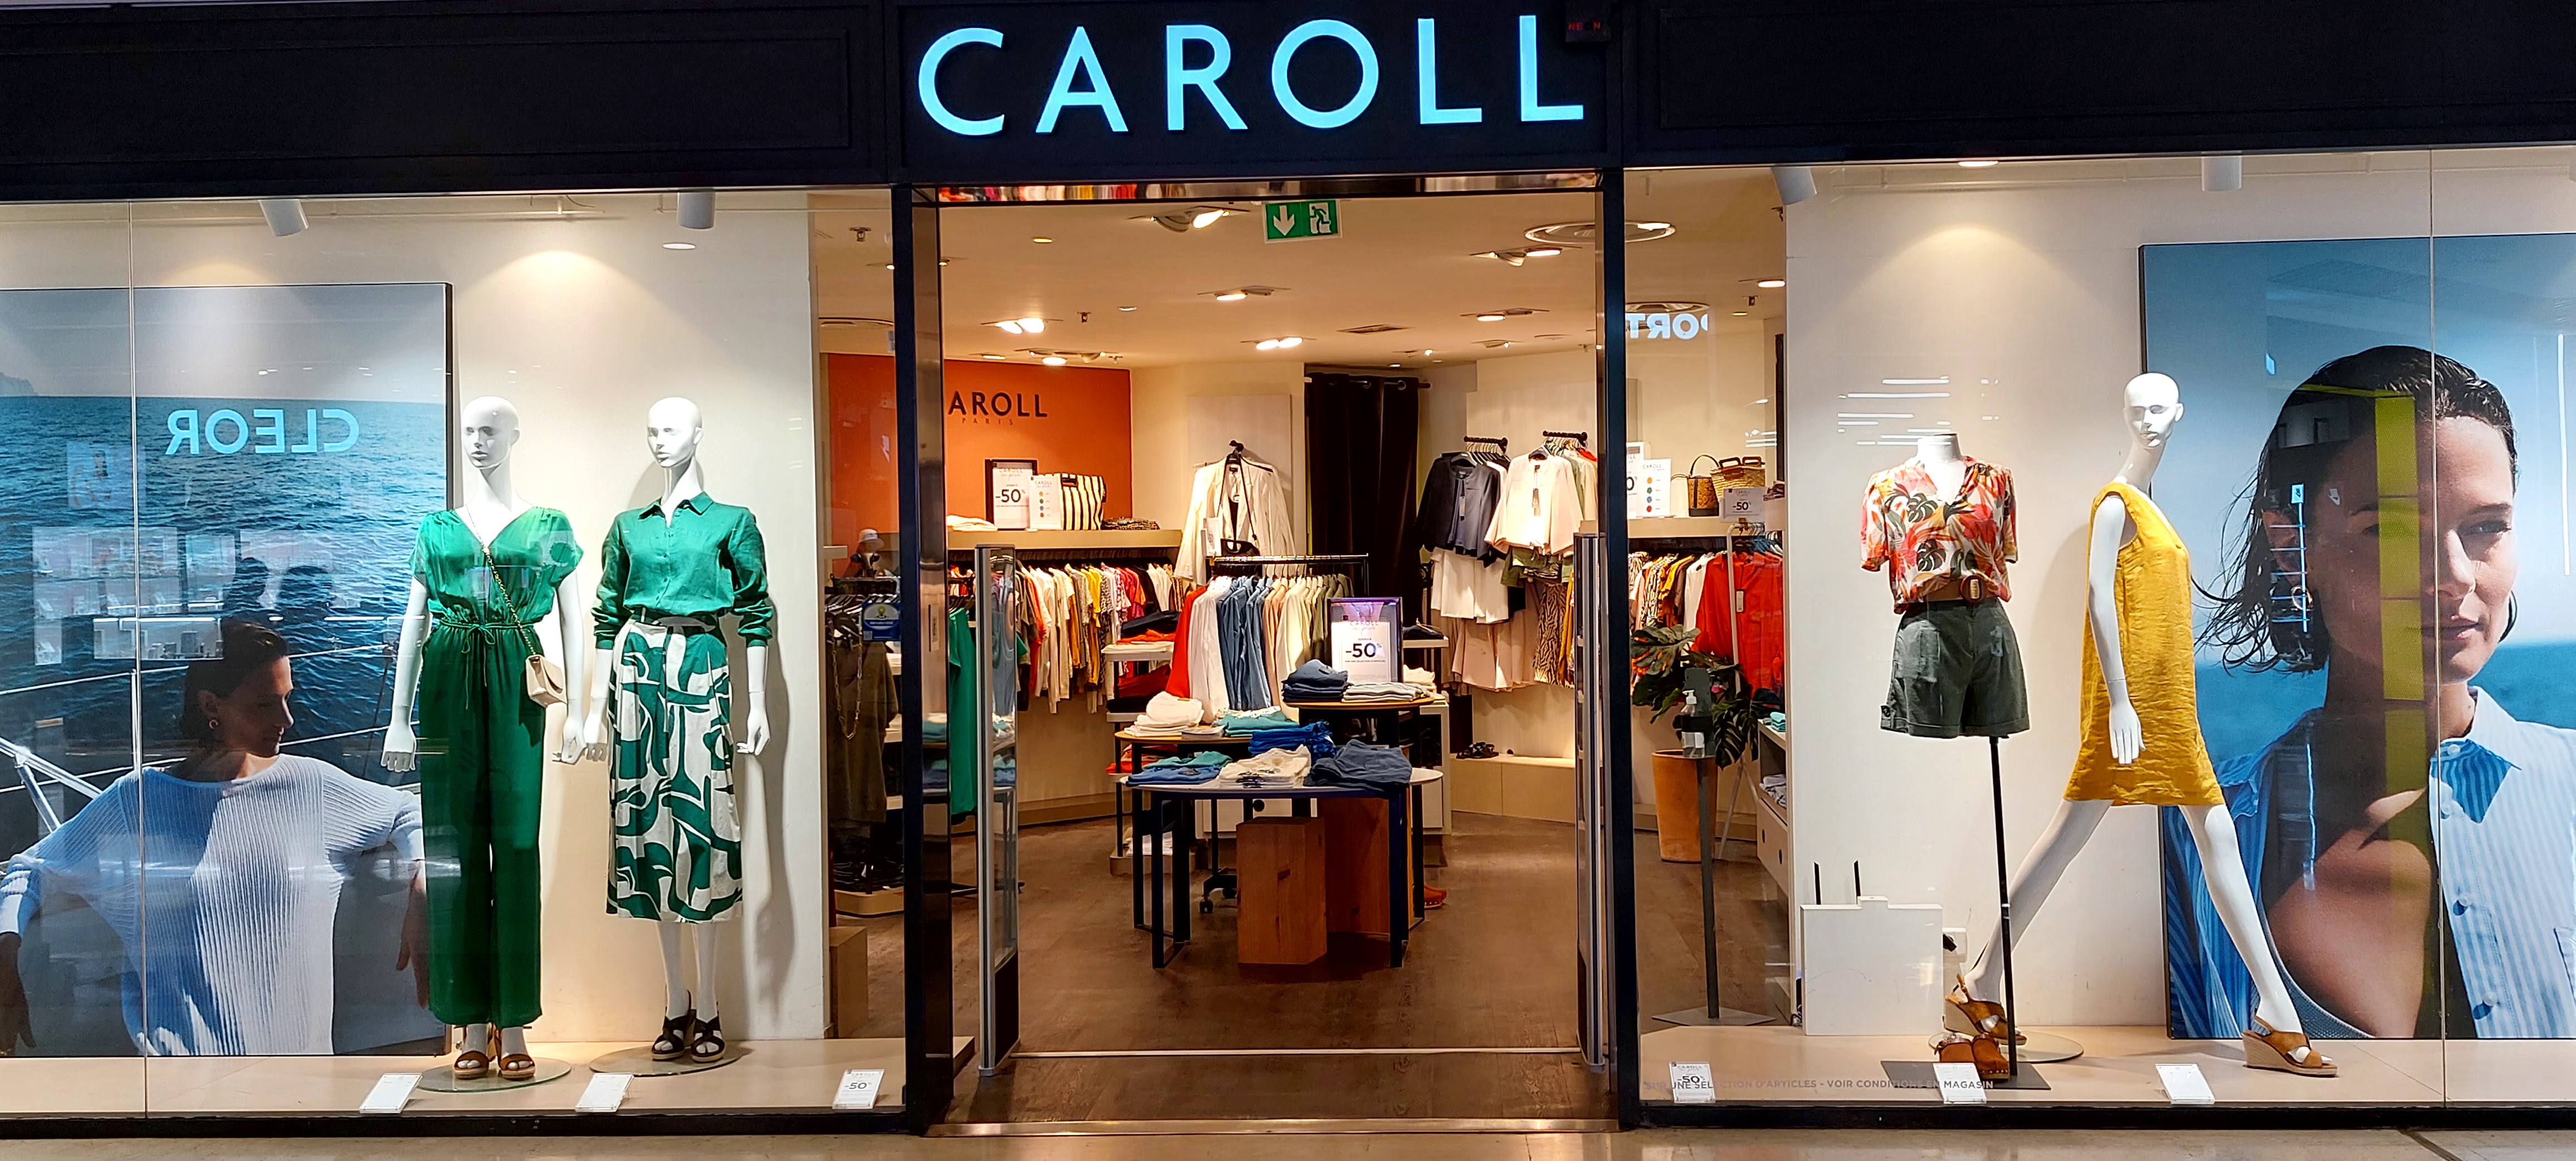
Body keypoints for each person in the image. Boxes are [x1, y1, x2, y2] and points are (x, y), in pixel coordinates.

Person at [2168, 345, 2576, 1039]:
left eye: (2485, 527)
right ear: (2293, 548)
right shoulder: (2202, 833)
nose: (2455, 574)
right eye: (2390, 528)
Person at [0, 619, 425, 1055]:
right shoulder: (139, 801)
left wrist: (423, 880)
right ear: (210, 705)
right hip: (178, 1078)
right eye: (265, 705)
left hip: (300, 1072)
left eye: (287, 699)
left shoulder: (310, 786)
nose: (287, 719)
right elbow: (28, 871)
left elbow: (407, 811)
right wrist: (6, 952)